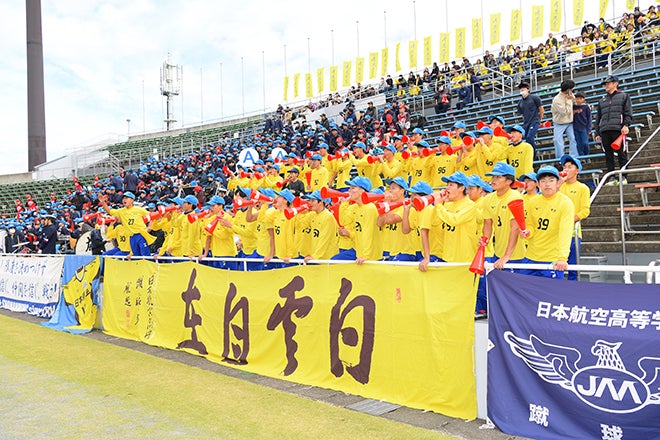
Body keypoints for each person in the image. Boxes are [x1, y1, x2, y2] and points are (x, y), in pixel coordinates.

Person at [519, 166, 574, 279]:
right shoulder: (532, 202)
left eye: (551, 180)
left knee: (552, 295)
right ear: (538, 185)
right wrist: (527, 232)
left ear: (558, 183)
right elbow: (531, 225)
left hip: (552, 259)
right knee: (525, 294)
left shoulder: (565, 203)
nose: (547, 184)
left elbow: (566, 232)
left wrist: (562, 258)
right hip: (531, 257)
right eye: (543, 181)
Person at [482, 162, 526, 270]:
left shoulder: (515, 198)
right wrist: (485, 239)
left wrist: (507, 256)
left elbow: (515, 228)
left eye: (498, 177)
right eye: (493, 177)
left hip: (516, 255)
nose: (493, 180)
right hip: (498, 252)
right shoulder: (488, 199)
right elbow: (488, 223)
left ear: (509, 181)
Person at [594, 75, 632, 184]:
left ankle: (623, 176)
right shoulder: (602, 100)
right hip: (605, 130)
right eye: (605, 84)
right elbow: (598, 117)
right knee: (608, 155)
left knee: (621, 153)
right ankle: (611, 176)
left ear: (615, 84)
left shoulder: (624, 96)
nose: (606, 86)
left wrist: (626, 125)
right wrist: (597, 132)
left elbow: (627, 112)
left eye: (608, 83)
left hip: (618, 129)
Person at [559, 155, 591, 281]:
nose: (566, 169)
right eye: (565, 167)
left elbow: (585, 210)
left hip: (573, 233)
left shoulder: (582, 188)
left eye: (570, 167)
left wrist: (570, 219)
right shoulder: (559, 186)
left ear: (577, 170)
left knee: (572, 266)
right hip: (556, 232)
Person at [98, 191, 155, 257]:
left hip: (141, 234)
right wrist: (103, 202)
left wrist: (150, 226)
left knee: (145, 254)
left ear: (132, 200)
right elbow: (109, 211)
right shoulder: (121, 211)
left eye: (126, 198)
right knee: (136, 256)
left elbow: (152, 215)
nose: (124, 200)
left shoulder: (138, 209)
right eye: (123, 198)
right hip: (131, 237)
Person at [551, 79, 578, 158]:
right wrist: (569, 101)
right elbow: (564, 112)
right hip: (559, 122)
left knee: (573, 139)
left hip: (570, 121)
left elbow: (575, 103)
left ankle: (574, 156)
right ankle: (560, 158)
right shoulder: (557, 100)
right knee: (558, 141)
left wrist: (572, 99)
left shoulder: (571, 95)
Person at [516, 82, 544, 157]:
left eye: (523, 89)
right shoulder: (520, 103)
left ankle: (533, 154)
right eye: (521, 89)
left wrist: (539, 120)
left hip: (534, 121)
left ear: (528, 89)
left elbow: (541, 109)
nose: (522, 91)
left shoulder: (534, 98)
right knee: (522, 138)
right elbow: (522, 114)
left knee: (529, 137)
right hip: (526, 123)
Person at [572, 91, 592, 157]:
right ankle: (581, 156)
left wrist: (589, 128)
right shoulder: (573, 107)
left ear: (583, 99)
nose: (578, 100)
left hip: (584, 127)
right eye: (577, 98)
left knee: (585, 143)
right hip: (575, 127)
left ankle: (587, 155)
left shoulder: (586, 107)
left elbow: (589, 118)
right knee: (578, 144)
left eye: (580, 98)